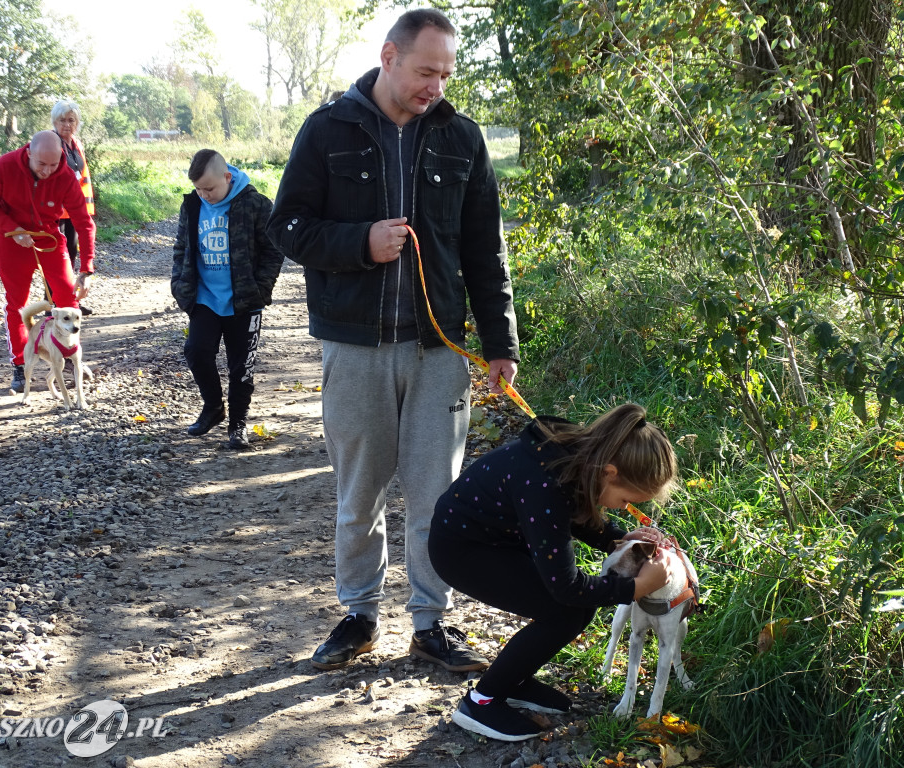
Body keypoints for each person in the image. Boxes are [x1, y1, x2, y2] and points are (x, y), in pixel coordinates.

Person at [267, 8, 519, 672]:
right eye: (424, 70)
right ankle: (359, 615)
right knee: (361, 492)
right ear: (389, 56)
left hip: (442, 353)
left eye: (445, 73)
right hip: (355, 348)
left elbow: (485, 250)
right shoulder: (327, 130)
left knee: (439, 496)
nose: (435, 84)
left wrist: (501, 345)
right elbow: (287, 225)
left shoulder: (463, 139)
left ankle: (432, 624)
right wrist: (360, 244)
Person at [429, 404, 678, 741]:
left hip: (496, 539)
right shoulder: (544, 483)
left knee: (575, 607)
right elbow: (567, 587)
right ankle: (481, 701)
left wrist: (616, 538)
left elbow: (573, 513)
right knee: (564, 609)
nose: (621, 508)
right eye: (624, 500)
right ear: (610, 472)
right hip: (462, 551)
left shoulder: (575, 458)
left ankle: (513, 679)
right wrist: (633, 588)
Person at [171, 149, 284, 449]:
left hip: (244, 301)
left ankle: (238, 425)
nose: (204, 194)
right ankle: (213, 407)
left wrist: (261, 288)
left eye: (209, 188)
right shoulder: (193, 206)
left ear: (227, 177)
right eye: (198, 188)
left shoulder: (256, 205)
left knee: (241, 366)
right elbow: (181, 247)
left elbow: (274, 249)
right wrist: (179, 285)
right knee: (196, 351)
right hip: (205, 299)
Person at [0, 130, 96, 394]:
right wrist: (14, 229)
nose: (47, 171)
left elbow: (84, 222)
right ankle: (21, 364)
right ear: (29, 153)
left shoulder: (64, 175)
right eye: (41, 164)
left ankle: (68, 358)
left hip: (49, 239)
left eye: (53, 165)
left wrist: (87, 268)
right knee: (18, 304)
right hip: (12, 240)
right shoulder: (5, 165)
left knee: (67, 296)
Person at [50, 99, 95, 315]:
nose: (67, 125)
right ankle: (52, 303)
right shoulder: (51, 143)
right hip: (56, 211)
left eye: (71, 120)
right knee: (56, 256)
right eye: (62, 120)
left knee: (72, 253)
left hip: (76, 210)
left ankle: (69, 300)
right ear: (54, 122)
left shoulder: (76, 144)